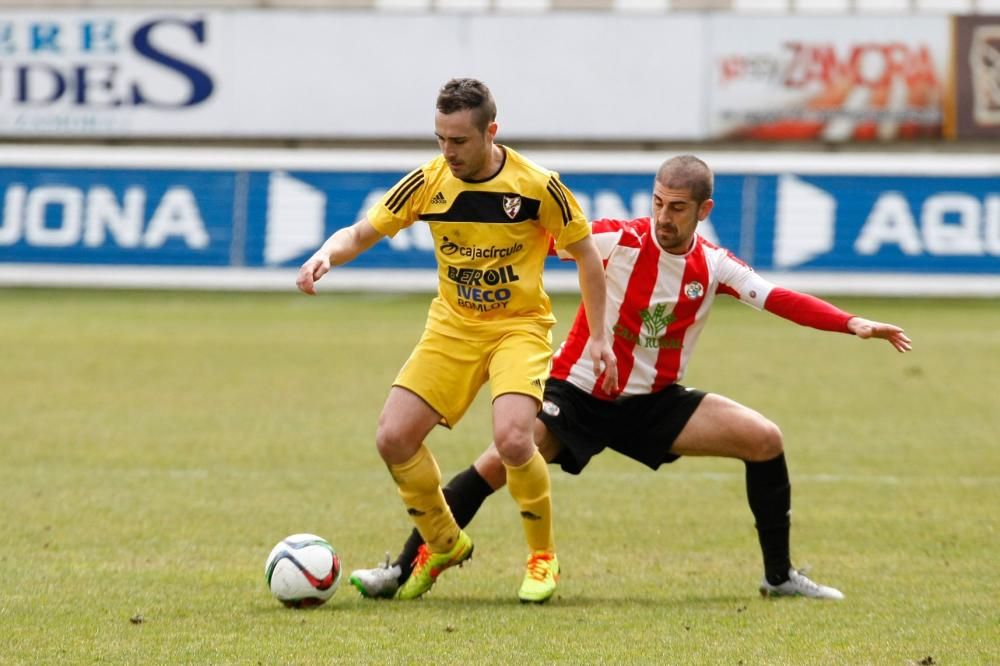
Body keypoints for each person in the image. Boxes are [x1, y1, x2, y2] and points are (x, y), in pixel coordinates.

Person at [349, 154, 912, 602]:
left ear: (704, 209)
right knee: (498, 460)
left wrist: (853, 323)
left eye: (678, 208)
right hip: (579, 394)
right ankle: (400, 570)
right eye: (659, 203)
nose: (665, 217)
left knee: (764, 439)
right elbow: (540, 239)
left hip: (654, 404)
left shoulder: (714, 265)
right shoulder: (617, 238)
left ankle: (780, 577)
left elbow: (777, 297)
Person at [296, 78, 616, 604]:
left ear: (491, 131)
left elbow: (585, 257)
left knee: (515, 439)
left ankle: (542, 558)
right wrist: (326, 255)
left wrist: (599, 335)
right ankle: (443, 543)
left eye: (459, 141)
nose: (448, 151)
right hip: (453, 326)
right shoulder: (427, 182)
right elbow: (359, 233)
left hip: (519, 327)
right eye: (440, 138)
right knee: (393, 438)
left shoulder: (538, 186)